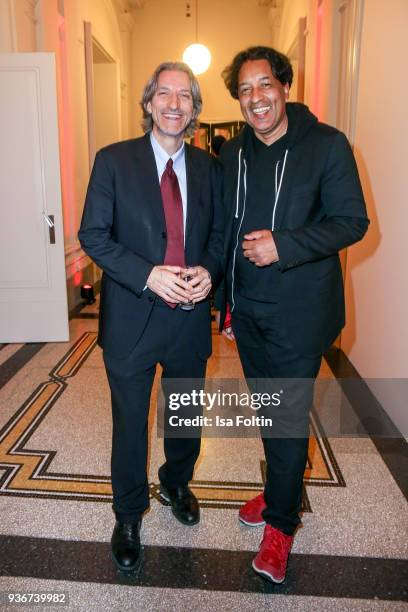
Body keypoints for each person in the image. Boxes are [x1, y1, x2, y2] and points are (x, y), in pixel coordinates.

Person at [220, 46, 369, 584]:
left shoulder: (326, 146)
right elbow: (224, 232)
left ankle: (281, 525)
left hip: (300, 314)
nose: (256, 98)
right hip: (250, 311)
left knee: (285, 415)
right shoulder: (233, 154)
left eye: (264, 85)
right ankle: (283, 485)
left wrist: (286, 244)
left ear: (284, 85)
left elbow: (353, 222)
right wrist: (224, 302)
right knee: (269, 410)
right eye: (244, 90)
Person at [78, 61, 222, 573]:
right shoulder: (113, 161)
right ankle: (128, 514)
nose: (175, 103)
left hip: (187, 318)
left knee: (184, 415)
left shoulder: (210, 168)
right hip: (132, 319)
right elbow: (92, 235)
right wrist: (146, 275)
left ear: (194, 109)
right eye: (165, 93)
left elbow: (220, 236)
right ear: (148, 103)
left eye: (185, 96)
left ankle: (177, 483)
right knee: (130, 424)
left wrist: (210, 271)